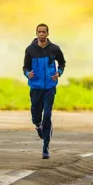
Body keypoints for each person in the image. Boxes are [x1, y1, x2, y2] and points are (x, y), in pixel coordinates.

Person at [22, 23, 66, 159]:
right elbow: (25, 67)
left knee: (47, 115)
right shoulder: (30, 50)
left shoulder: (54, 48)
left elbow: (62, 63)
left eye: (44, 32)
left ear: (47, 33)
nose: (41, 34)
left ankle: (45, 148)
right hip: (36, 87)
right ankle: (38, 125)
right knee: (36, 116)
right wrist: (28, 74)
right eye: (39, 32)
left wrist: (58, 73)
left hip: (50, 88)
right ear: (36, 33)